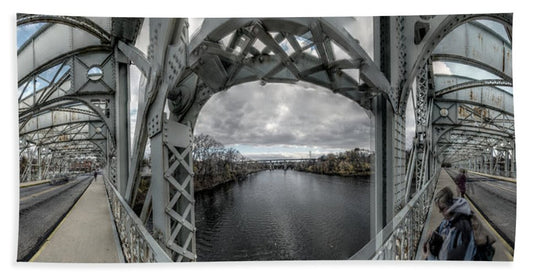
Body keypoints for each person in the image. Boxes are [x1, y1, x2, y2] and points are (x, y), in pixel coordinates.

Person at [423, 186, 476, 260]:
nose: (440, 212)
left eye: (442, 209)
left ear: (450, 205)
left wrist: (429, 257)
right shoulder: (447, 220)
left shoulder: (462, 228)